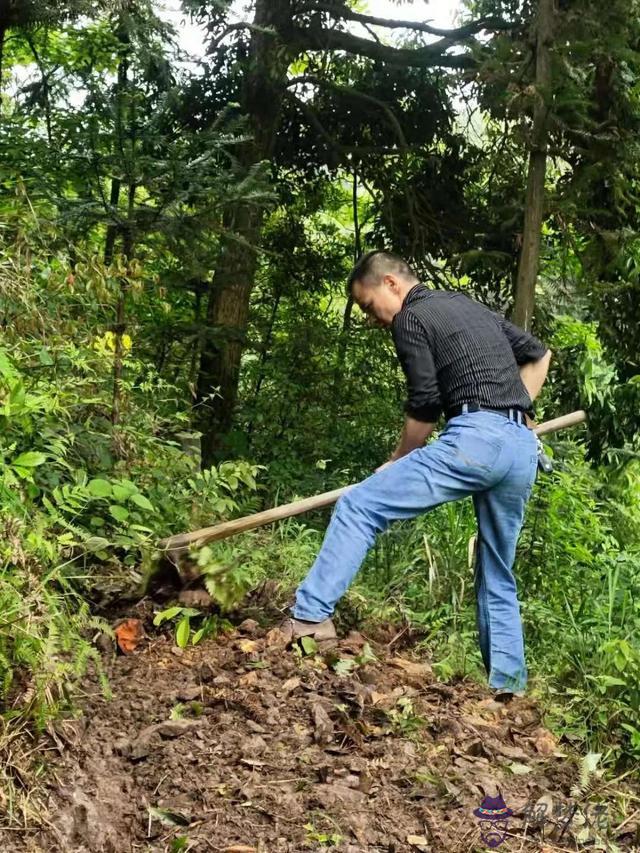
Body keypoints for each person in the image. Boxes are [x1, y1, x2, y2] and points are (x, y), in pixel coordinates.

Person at [280, 251, 551, 697]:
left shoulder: (412, 317)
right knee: (497, 570)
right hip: (521, 449)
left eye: (369, 306)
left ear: (391, 284)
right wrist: (519, 412)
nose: (372, 319)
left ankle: (308, 619)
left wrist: (399, 457)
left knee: (360, 504)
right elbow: (539, 354)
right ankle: (509, 691)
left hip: (474, 440)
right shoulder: (468, 306)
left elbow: (425, 403)